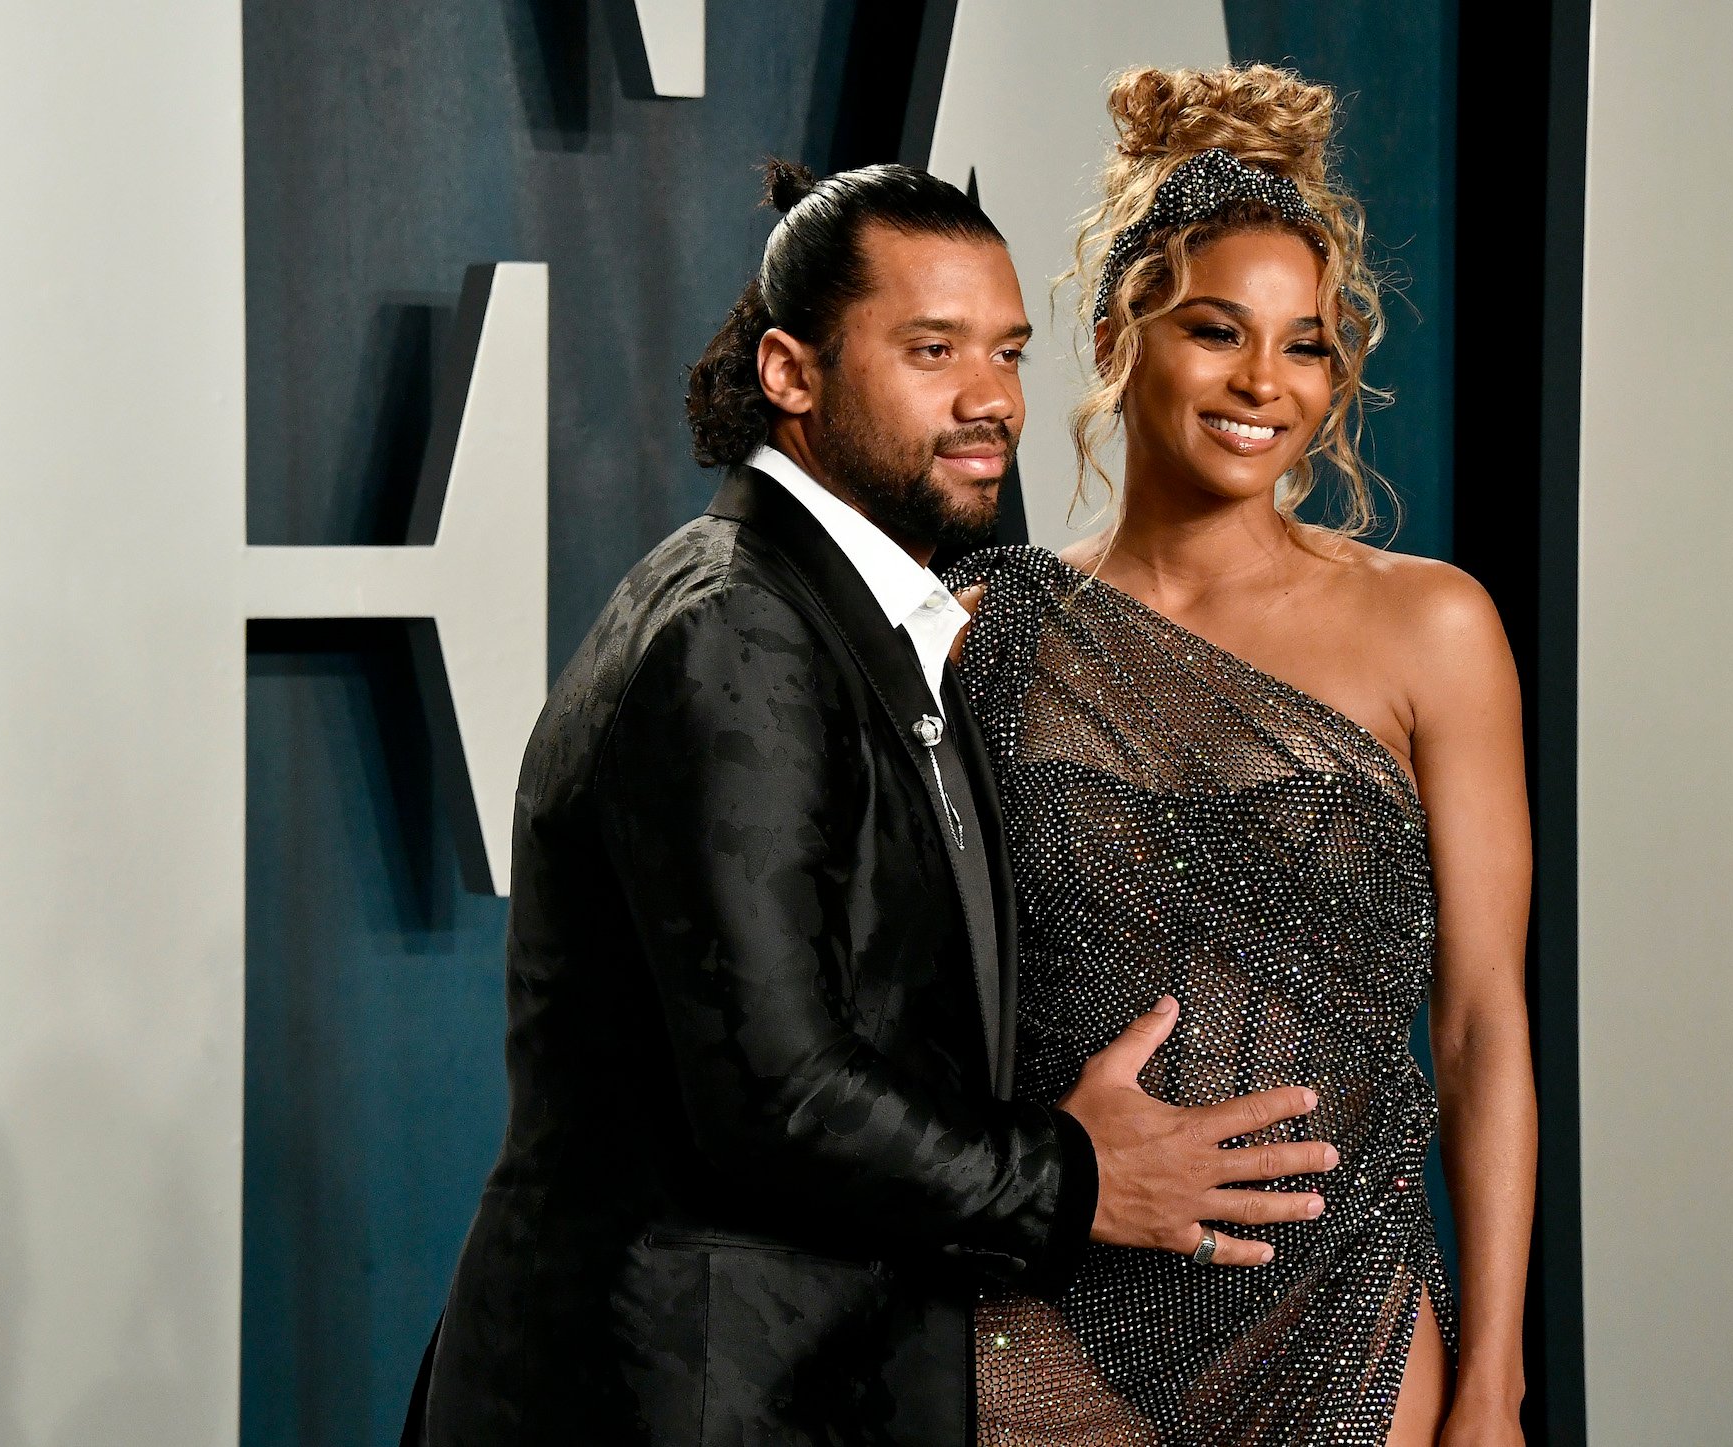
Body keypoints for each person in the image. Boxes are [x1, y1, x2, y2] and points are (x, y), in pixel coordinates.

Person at [405, 159, 1342, 1447]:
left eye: (1007, 353)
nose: (991, 400)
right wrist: (1078, 1179)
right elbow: (781, 1094)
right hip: (676, 1396)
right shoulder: (737, 630)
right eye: (931, 350)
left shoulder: (855, 618)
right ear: (791, 374)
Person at [947, 65, 1537, 1445]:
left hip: (1337, 1309)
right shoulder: (986, 630)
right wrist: (1047, 1170)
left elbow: (1480, 1028)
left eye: (1309, 344)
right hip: (1053, 1309)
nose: (1265, 383)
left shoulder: (1430, 626)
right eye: (1218, 330)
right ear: (1114, 335)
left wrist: (1498, 1377)